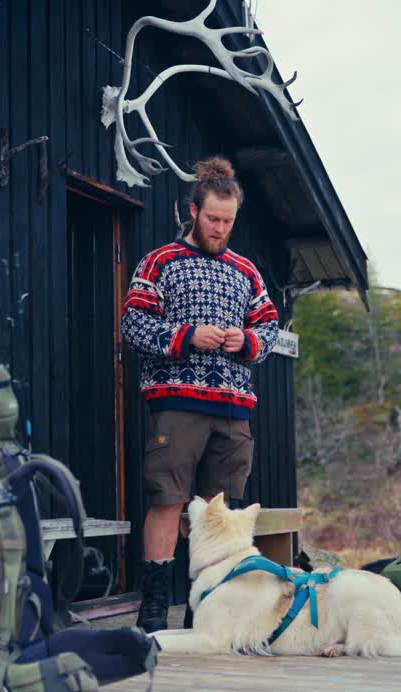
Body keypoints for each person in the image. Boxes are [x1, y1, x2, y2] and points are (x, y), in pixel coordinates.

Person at [120, 156, 279, 632]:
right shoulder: (159, 262)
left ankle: (204, 606)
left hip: (233, 409)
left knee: (218, 513)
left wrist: (246, 341)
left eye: (228, 221)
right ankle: (153, 608)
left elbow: (269, 329)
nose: (220, 228)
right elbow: (133, 325)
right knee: (167, 501)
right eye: (213, 219)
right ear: (193, 211)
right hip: (176, 405)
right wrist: (186, 335)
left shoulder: (247, 271)